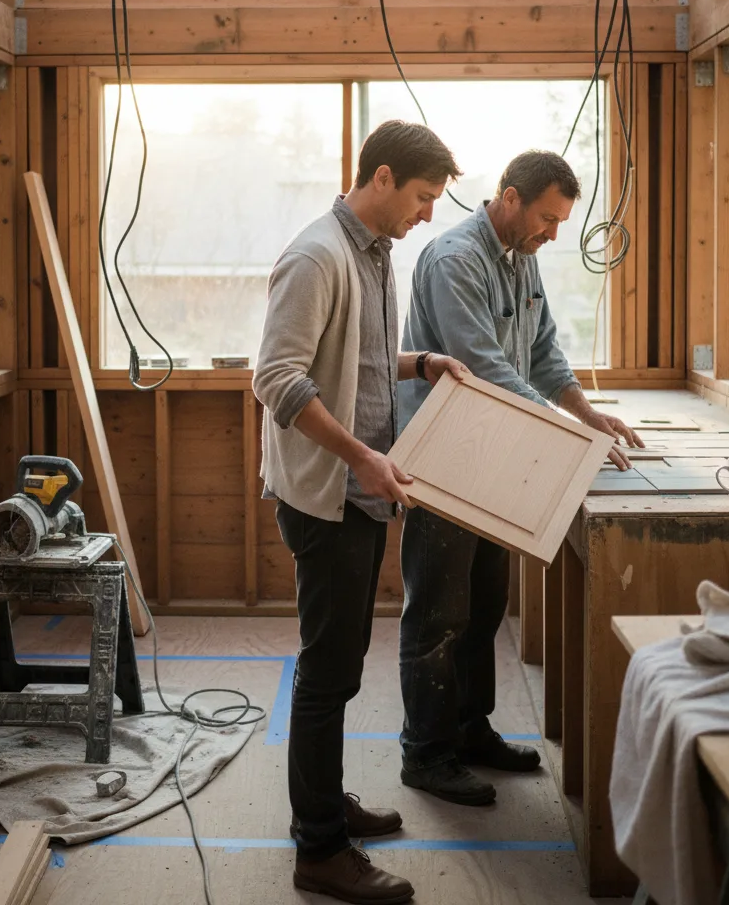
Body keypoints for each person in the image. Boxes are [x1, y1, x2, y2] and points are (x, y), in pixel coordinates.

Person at [253, 119, 470, 905]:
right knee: (328, 674)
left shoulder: (372, 256)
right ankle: (320, 848)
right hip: (332, 498)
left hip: (359, 493)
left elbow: (359, 363)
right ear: (381, 178)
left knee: (339, 671)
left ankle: (322, 804)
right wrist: (364, 460)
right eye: (421, 197)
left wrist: (421, 361)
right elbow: (277, 379)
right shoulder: (319, 255)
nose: (427, 215)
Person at [396, 149, 644, 807]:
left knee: (481, 609)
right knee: (437, 615)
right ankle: (425, 753)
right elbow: (480, 368)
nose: (553, 234)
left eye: (561, 222)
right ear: (508, 197)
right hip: (445, 459)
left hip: (493, 458)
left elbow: (540, 351)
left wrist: (588, 412)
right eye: (546, 219)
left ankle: (469, 732)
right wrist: (568, 436)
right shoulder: (454, 260)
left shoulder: (522, 258)